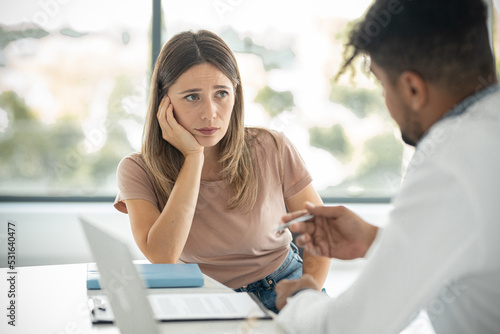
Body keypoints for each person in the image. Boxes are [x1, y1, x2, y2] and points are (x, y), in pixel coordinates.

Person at [275, 0, 500, 332]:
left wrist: (300, 300)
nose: (386, 101)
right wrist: (374, 241)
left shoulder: (451, 158)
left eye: (383, 86)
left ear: (412, 88)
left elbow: (353, 327)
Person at [113, 30, 331, 313]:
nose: (210, 113)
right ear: (164, 102)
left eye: (221, 94)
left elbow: (319, 232)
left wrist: (307, 294)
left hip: (283, 286)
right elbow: (163, 256)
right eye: (192, 97)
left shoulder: (271, 147)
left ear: (235, 94)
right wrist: (193, 157)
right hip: (203, 298)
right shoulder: (138, 169)